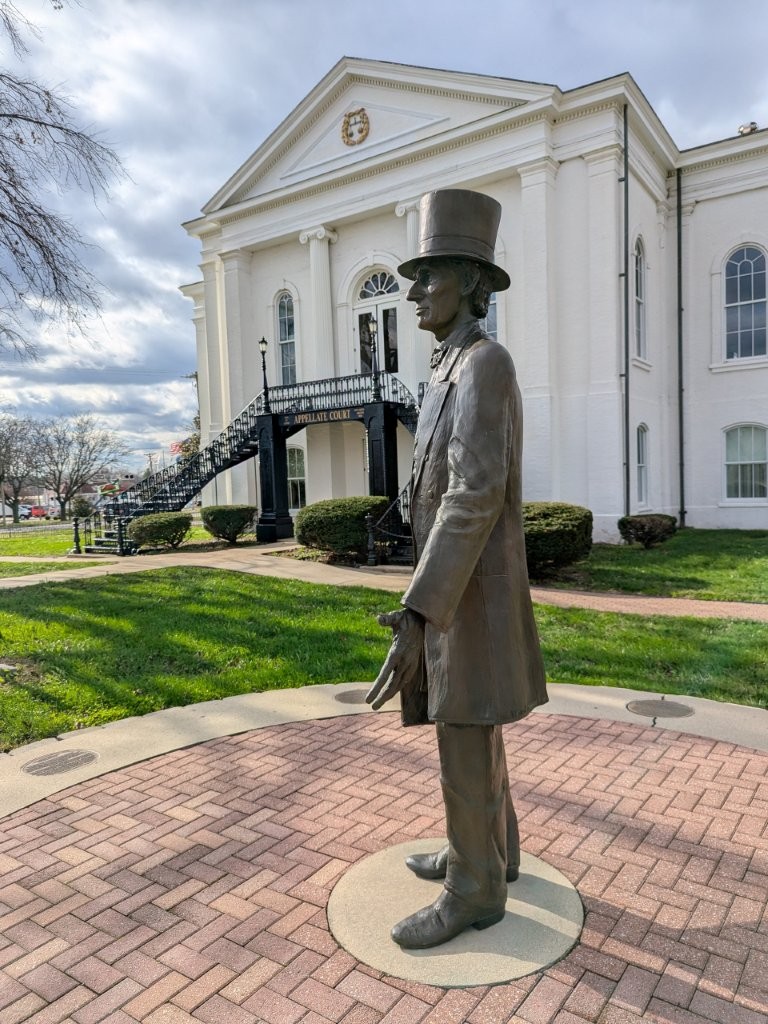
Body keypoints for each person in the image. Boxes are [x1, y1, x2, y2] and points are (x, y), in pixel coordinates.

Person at [366, 188, 548, 950]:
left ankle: (473, 890)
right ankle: (491, 850)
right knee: (472, 727)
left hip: (470, 596)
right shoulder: (451, 366)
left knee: (464, 732)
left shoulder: (485, 364)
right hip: (459, 591)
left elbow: (473, 496)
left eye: (429, 275)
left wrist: (418, 610)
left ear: (471, 282)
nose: (412, 292)